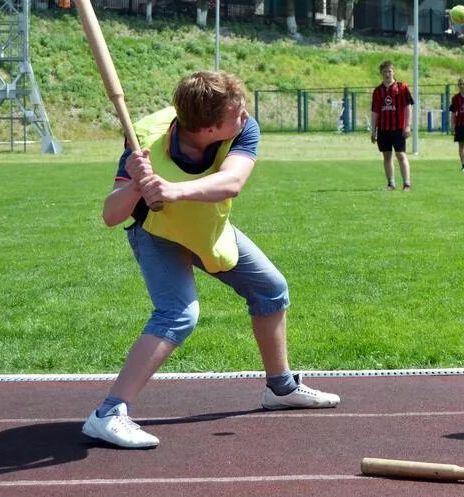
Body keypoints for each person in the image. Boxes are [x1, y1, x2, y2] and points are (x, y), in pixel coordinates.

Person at [81, 71, 339, 449]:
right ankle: (108, 413)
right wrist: (137, 183)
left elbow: (231, 181)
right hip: (157, 231)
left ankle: (281, 389)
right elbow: (111, 214)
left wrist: (173, 188)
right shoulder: (145, 142)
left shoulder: (244, 129)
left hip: (207, 225)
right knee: (178, 313)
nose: (245, 116)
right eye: (236, 113)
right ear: (208, 128)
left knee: (271, 290)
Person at [370, 60, 414, 191]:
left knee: (401, 155)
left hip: (398, 128)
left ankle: (406, 184)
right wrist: (373, 130)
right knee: (387, 156)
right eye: (385, 72)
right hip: (383, 129)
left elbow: (408, 107)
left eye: (389, 71)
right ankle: (391, 184)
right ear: (381, 73)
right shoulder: (378, 91)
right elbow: (374, 112)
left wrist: (407, 126)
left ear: (393, 71)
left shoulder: (402, 87)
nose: (387, 74)